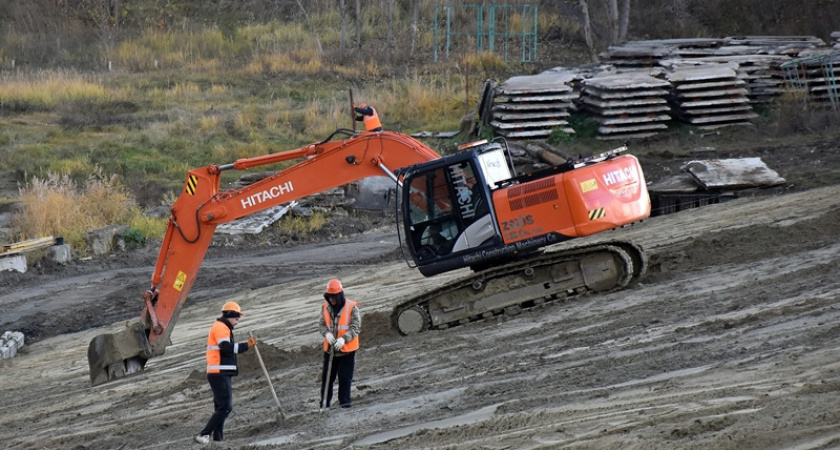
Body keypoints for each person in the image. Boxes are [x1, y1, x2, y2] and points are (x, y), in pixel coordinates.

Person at [195, 301, 256, 445]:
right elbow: (226, 347)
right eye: (237, 317)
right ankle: (204, 434)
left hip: (219, 372)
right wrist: (245, 346)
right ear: (230, 315)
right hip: (219, 372)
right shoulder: (221, 328)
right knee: (225, 407)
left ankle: (218, 440)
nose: (238, 320)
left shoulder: (223, 327)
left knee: (220, 408)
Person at [319, 278, 361, 409]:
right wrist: (327, 334)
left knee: (344, 379)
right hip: (330, 352)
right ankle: (324, 405)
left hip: (346, 352)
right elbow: (321, 325)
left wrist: (343, 339)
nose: (331, 300)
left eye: (333, 297)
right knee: (327, 380)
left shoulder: (351, 307)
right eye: (329, 297)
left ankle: (345, 404)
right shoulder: (325, 307)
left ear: (339, 295)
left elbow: (355, 327)